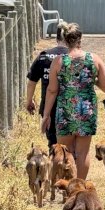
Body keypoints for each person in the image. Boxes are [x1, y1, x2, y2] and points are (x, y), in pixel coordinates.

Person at [42, 23, 105, 180]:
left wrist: (46, 115)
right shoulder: (94, 59)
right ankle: (79, 185)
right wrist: (91, 80)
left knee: (64, 151)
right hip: (86, 110)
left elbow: (52, 90)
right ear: (80, 39)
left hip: (65, 109)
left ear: (65, 41)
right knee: (83, 152)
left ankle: (66, 184)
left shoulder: (59, 61)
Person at [25, 20, 68, 154]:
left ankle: (55, 167)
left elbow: (32, 82)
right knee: (69, 144)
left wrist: (29, 100)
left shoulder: (43, 57)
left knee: (53, 142)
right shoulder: (74, 57)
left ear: (56, 38)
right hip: (69, 105)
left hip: (49, 106)